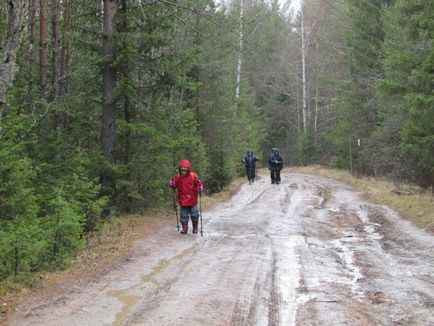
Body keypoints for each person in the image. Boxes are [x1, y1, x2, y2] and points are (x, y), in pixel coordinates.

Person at [169, 159, 205, 234]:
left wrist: (200, 187)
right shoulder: (178, 177)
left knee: (194, 214)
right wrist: (172, 183)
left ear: (188, 170)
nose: (183, 172)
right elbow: (174, 185)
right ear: (180, 170)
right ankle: (185, 228)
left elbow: (198, 183)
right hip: (183, 200)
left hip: (192, 200)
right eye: (182, 170)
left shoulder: (193, 176)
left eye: (185, 170)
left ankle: (195, 228)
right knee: (183, 215)